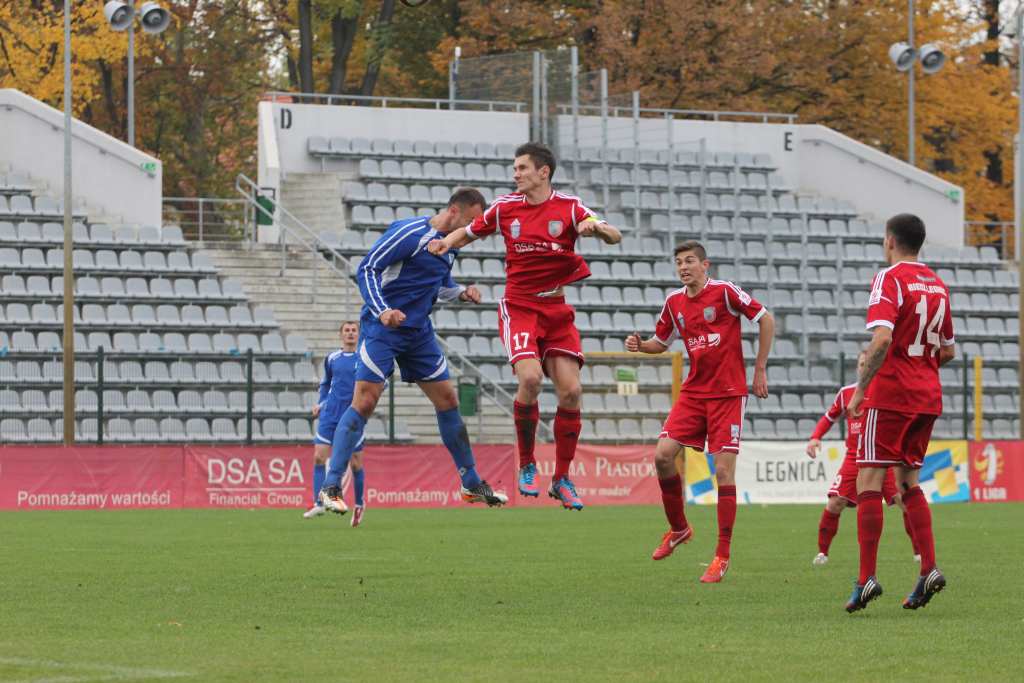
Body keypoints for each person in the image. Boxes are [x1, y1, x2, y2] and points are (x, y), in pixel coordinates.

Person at [429, 142, 621, 510]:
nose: (515, 173)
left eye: (521, 168)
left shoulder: (569, 207)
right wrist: (444, 244)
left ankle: (562, 478)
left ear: (543, 172)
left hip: (556, 307)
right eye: (515, 168)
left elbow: (615, 236)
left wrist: (596, 229)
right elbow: (467, 232)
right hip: (519, 306)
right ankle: (528, 464)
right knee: (530, 379)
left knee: (572, 392)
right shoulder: (504, 208)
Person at [318, 188, 508, 513]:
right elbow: (367, 269)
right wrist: (383, 311)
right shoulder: (410, 232)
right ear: (453, 211)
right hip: (383, 328)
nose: (474, 231)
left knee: (448, 400)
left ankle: (471, 482)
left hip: (418, 333)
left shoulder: (450, 246)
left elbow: (438, 284)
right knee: (364, 400)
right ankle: (331, 486)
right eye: (472, 222)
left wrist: (462, 292)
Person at [624, 240, 774, 583]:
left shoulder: (724, 292)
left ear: (705, 265)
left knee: (723, 471)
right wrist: (640, 346)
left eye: (690, 261)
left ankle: (722, 554)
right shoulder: (674, 302)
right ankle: (678, 529)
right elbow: (660, 343)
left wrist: (760, 368)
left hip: (728, 394)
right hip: (694, 392)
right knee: (662, 455)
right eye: (679, 262)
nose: (683, 267)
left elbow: (766, 320)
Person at [844, 213, 955, 613]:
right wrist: (920, 371)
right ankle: (928, 568)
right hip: (928, 397)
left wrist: (860, 390)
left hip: (892, 394)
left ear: (890, 240)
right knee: (909, 482)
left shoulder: (889, 279)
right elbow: (948, 350)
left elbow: (883, 337)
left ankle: (866, 578)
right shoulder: (938, 285)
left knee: (869, 481)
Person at [805, 350, 919, 565]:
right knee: (835, 502)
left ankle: (918, 552)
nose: (864, 367)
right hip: (854, 458)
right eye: (861, 364)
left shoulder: (888, 392)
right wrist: (815, 437)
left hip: (881, 457)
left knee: (904, 500)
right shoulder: (847, 393)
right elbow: (829, 417)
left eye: (868, 364)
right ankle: (822, 553)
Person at [304, 321, 366, 526]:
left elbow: (379, 384)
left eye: (353, 330)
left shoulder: (365, 359)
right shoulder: (332, 358)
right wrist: (320, 404)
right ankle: (318, 503)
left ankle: (359, 505)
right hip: (330, 415)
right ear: (341, 335)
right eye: (346, 331)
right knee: (318, 457)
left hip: (352, 417)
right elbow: (326, 385)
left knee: (356, 463)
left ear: (358, 335)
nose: (350, 334)